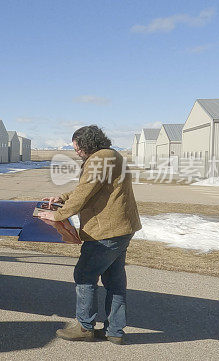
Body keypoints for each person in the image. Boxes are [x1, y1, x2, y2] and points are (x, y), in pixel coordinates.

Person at [37, 125, 141, 345]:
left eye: (77, 148)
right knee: (114, 280)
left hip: (106, 231)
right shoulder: (113, 156)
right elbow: (91, 189)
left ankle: (85, 327)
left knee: (84, 275)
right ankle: (115, 331)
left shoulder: (98, 160)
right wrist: (63, 197)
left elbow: (84, 194)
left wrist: (58, 215)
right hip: (123, 228)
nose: (77, 152)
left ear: (86, 144)